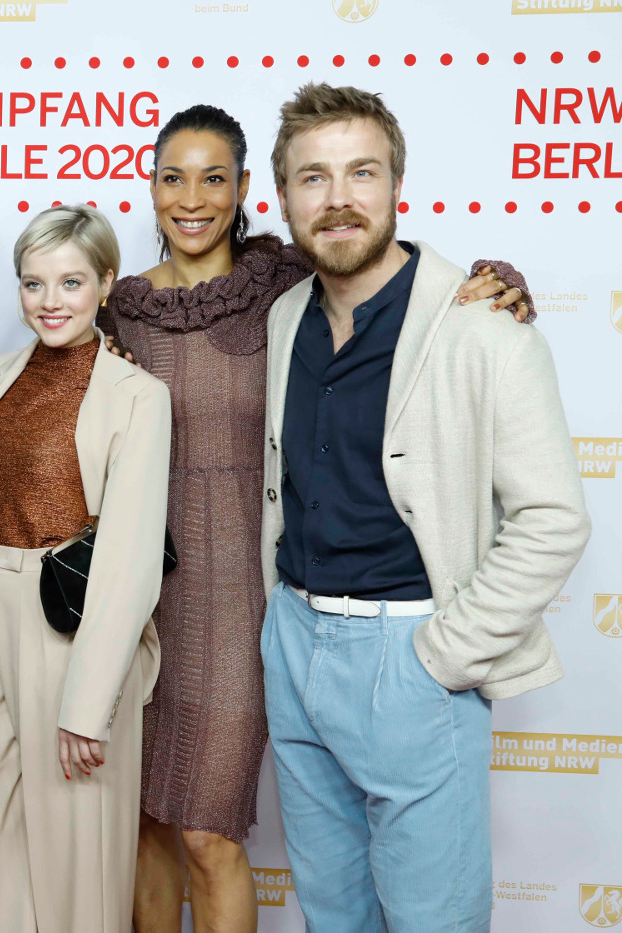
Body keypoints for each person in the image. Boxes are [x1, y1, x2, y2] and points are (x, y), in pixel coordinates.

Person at [97, 104, 532, 933]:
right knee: (148, 823)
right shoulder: (119, 309)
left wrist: (496, 279)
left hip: (248, 600)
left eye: (213, 178)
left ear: (244, 189)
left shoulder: (285, 280)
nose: (192, 197)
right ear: (150, 189)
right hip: (143, 597)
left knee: (208, 831)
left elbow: (390, 277)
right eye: (173, 177)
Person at [259, 83, 590, 931]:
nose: (338, 199)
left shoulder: (482, 325)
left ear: (398, 185)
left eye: (361, 172)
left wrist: (441, 655)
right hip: (293, 642)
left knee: (433, 918)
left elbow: (553, 518)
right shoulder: (285, 314)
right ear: (283, 197)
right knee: (332, 913)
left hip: (411, 651)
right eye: (313, 177)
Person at [0, 205, 170, 932]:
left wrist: (89, 703)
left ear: (106, 283)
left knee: (78, 866)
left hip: (71, 630)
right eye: (33, 283)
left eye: (71, 282)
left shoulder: (139, 395)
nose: (50, 301)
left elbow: (131, 560)